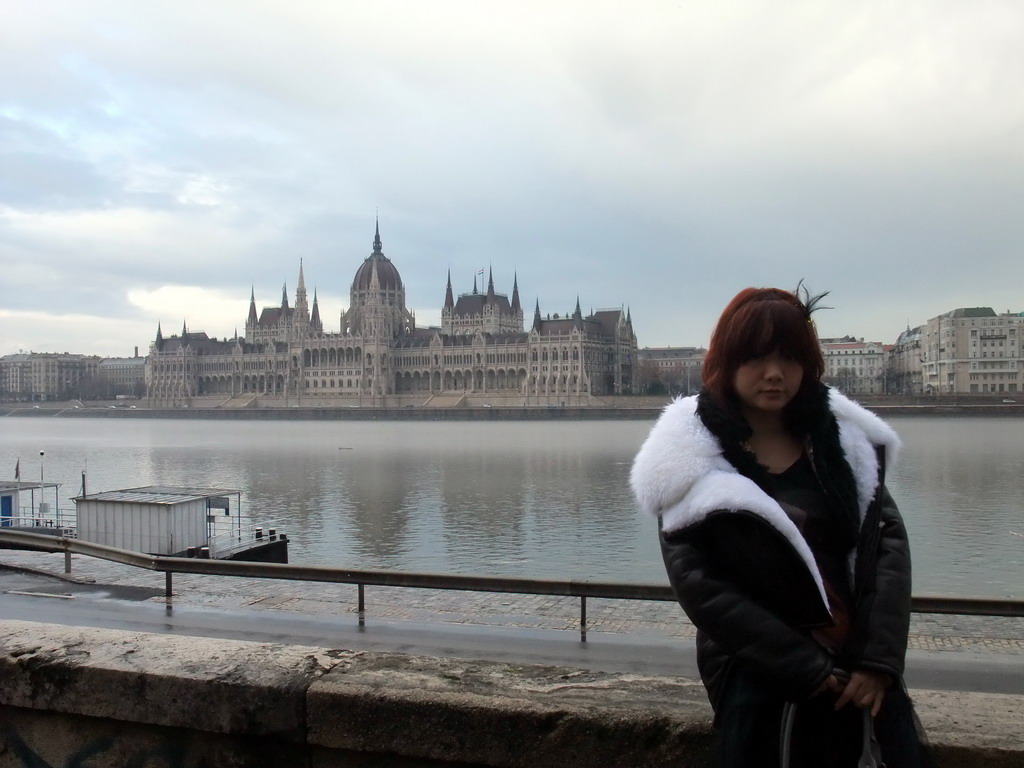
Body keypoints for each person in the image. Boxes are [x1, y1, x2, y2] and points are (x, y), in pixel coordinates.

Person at [630, 286, 928, 767]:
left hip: (857, 673)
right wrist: (805, 669)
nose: (775, 373)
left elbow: (886, 549)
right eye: (757, 358)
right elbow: (700, 586)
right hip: (758, 681)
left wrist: (877, 663)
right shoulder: (687, 460)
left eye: (790, 358)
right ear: (727, 362)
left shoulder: (845, 448)